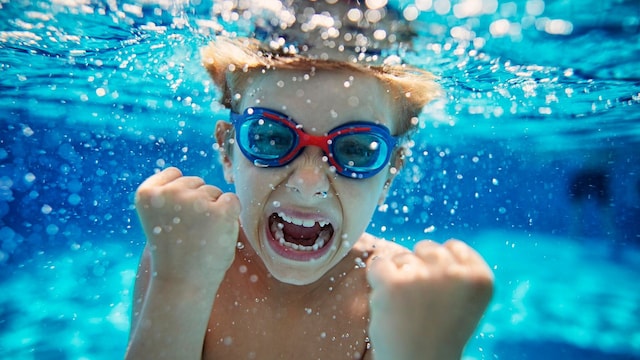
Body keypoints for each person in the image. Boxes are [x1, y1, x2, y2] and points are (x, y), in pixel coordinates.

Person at [126, 2, 494, 359]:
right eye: (271, 137)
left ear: (389, 175)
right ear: (228, 150)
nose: (308, 182)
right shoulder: (184, 252)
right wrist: (179, 286)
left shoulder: (394, 299)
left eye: (355, 150)